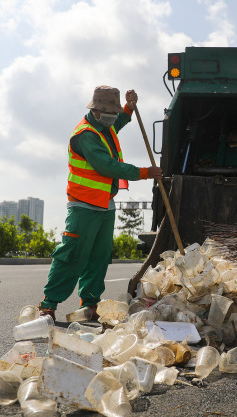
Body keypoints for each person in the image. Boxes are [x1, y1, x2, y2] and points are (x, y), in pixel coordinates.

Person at [38, 86, 162, 321]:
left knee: (99, 256)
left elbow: (119, 123)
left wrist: (129, 108)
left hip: (105, 205)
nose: (113, 118)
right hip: (84, 205)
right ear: (96, 111)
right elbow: (107, 166)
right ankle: (48, 305)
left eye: (114, 114)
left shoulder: (104, 127)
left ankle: (90, 304)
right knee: (72, 255)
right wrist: (145, 172)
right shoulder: (86, 135)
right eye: (110, 114)